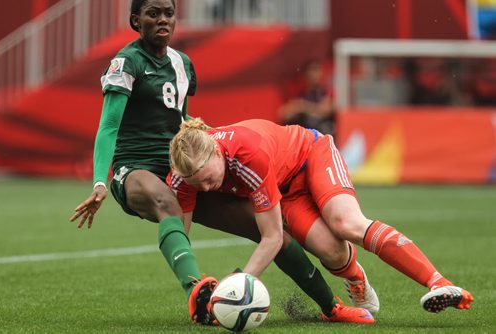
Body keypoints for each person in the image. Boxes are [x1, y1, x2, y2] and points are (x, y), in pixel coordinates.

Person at [69, 0, 375, 325]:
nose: (162, 20)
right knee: (167, 202)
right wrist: (101, 181)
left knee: (274, 233)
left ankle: (332, 307)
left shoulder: (182, 64)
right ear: (135, 20)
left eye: (168, 13)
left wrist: (214, 143)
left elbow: (180, 119)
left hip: (183, 169)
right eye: (153, 13)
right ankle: (197, 291)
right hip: (135, 168)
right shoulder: (126, 63)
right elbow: (109, 127)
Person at [168, 117, 474, 315]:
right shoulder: (184, 177)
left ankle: (440, 283)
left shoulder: (249, 155)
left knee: (346, 223)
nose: (209, 188)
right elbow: (182, 233)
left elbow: (272, 237)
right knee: (331, 250)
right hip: (285, 192)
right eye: (200, 185)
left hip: (310, 155)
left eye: (210, 179)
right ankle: (356, 277)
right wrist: (194, 285)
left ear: (217, 153)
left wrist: (242, 284)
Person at [278, 60, 335, 135]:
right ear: (305, 75)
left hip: (323, 133)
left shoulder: (327, 92)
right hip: (306, 134)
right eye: (312, 71)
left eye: (317, 71)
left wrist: (303, 106)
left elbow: (325, 110)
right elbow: (283, 114)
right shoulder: (301, 93)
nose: (314, 75)